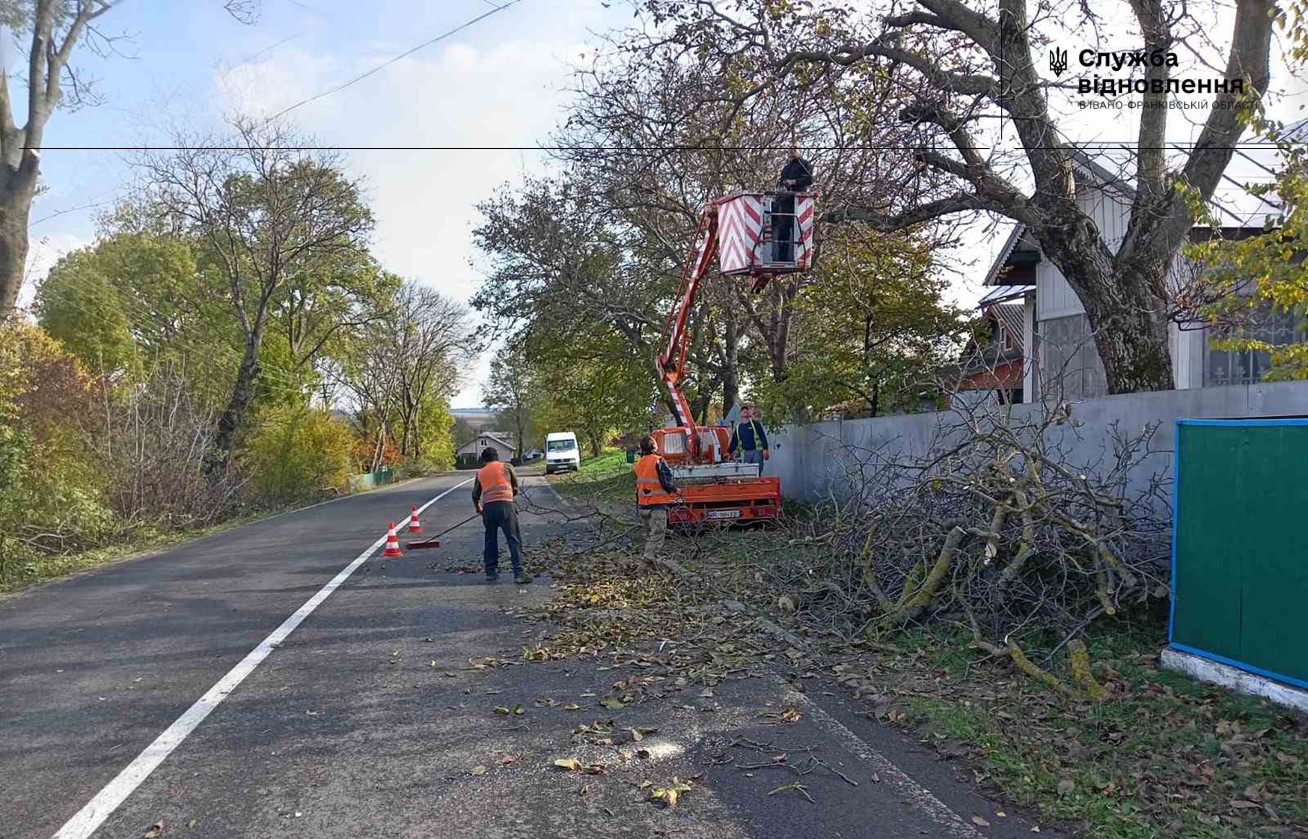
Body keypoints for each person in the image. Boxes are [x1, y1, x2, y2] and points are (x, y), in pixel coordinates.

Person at [472, 447, 532, 584]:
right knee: (513, 539)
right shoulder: (507, 466)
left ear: (484, 459)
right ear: (497, 457)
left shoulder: (480, 472)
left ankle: (491, 572)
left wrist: (479, 509)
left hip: (488, 509)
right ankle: (518, 573)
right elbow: (515, 487)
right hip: (505, 506)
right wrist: (509, 497)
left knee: (490, 540)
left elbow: (475, 495)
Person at [632, 435, 679, 565]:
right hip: (657, 505)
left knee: (650, 536)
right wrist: (674, 490)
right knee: (657, 534)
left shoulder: (639, 463)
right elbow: (666, 480)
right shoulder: (658, 461)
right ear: (654, 446)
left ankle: (651, 564)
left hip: (643, 505)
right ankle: (647, 561)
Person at [774, 144, 814, 262]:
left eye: (794, 150)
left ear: (799, 151)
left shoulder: (805, 165)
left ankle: (799, 257)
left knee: (799, 229)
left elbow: (809, 179)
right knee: (783, 230)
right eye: (790, 150)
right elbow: (781, 182)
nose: (792, 152)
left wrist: (793, 182)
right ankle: (782, 258)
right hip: (786, 201)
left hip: (799, 201)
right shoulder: (786, 168)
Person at [728, 404, 769, 468]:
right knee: (748, 471)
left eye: (746, 410)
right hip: (746, 453)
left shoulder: (755, 424)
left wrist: (765, 449)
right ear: (740, 414)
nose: (745, 411)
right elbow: (734, 441)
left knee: (756, 471)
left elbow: (762, 437)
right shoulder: (739, 427)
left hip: (757, 452)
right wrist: (729, 452)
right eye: (743, 410)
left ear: (749, 413)